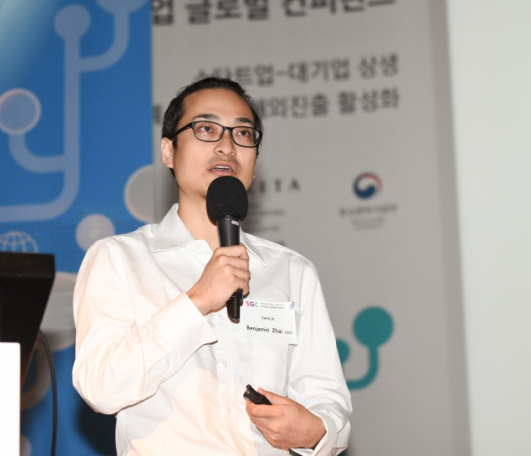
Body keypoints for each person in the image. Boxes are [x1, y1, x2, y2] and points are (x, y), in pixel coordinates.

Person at [72, 77, 351, 456]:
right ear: (168, 151)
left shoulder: (291, 271)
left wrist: (315, 430)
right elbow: (100, 387)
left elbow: (328, 401)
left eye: (243, 133)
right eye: (206, 129)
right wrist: (197, 300)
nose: (227, 146)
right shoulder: (120, 258)